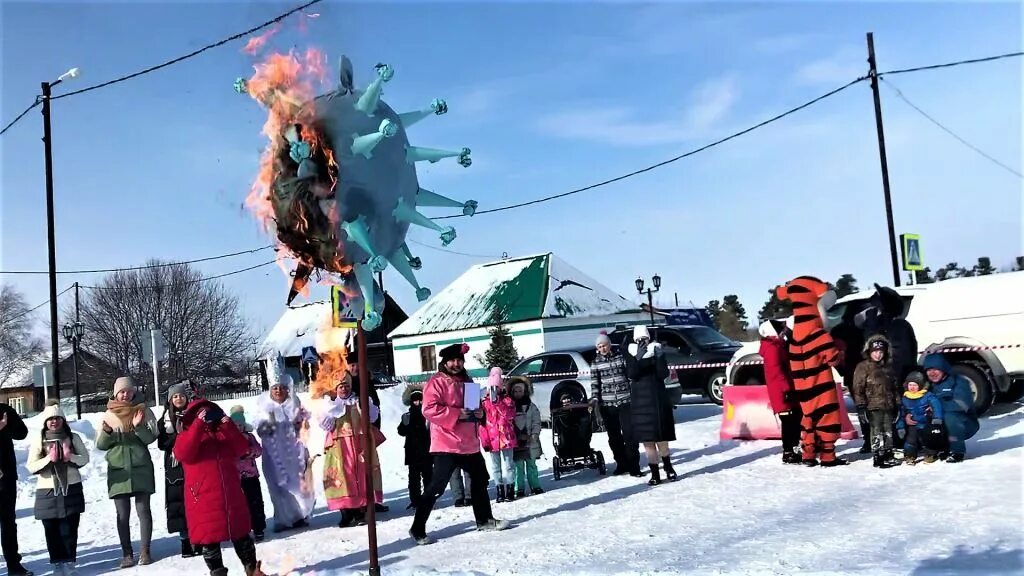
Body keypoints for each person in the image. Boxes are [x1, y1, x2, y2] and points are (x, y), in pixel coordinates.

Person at [410, 343, 509, 545]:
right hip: (446, 444)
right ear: (444, 362)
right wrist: (456, 414)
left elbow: (473, 409)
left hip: (469, 443)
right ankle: (417, 528)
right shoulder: (436, 382)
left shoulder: (468, 380)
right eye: (452, 361)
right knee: (436, 486)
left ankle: (484, 519)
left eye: (459, 361)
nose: (456, 364)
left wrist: (479, 414)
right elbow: (429, 409)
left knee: (480, 479)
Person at [174, 399, 261, 576]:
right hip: (203, 497)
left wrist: (226, 424)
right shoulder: (187, 435)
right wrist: (198, 424)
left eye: (210, 412)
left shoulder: (223, 435)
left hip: (230, 492)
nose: (207, 417)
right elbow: (184, 453)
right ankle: (217, 572)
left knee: (241, 533)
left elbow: (241, 448)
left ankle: (252, 569)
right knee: (209, 539)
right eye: (201, 413)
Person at [776, 277, 848, 467]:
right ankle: (828, 455)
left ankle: (808, 454)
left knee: (808, 419)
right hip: (821, 386)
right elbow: (832, 358)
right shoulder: (818, 334)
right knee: (827, 417)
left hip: (803, 389)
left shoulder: (793, 340)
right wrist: (839, 351)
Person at [96, 376, 159, 568]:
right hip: (118, 470)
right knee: (122, 515)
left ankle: (145, 551)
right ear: (116, 393)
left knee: (143, 511)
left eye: (128, 391)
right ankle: (126, 553)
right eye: (122, 392)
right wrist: (107, 433)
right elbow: (100, 445)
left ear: (133, 392)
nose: (125, 394)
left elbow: (151, 438)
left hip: (141, 467)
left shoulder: (143, 411)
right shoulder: (108, 415)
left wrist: (139, 427)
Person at [26, 401, 88, 575]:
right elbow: (31, 466)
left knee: (69, 527)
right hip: (47, 490)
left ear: (63, 420)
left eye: (57, 418)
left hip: (71, 487)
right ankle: (56, 563)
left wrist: (71, 457)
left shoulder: (73, 437)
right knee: (51, 528)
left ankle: (69, 562)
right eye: (50, 419)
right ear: (45, 421)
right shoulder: (39, 439)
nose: (54, 421)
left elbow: (85, 459)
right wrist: (48, 459)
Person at [250, 375, 315, 532]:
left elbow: (304, 428)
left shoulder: (295, 404)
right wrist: (269, 423)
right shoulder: (264, 407)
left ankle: (300, 516)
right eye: (275, 388)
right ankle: (283, 519)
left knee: (298, 485)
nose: (278, 391)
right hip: (274, 455)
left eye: (281, 388)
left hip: (294, 454)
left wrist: (301, 424)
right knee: (278, 486)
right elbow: (260, 430)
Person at [318, 374, 384, 528]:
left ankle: (361, 510)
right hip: (340, 447)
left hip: (360, 444)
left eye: (346, 386)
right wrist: (330, 410)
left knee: (362, 476)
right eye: (340, 386)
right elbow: (326, 426)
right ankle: (346, 513)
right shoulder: (332, 404)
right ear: (335, 389)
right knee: (342, 477)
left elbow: (372, 418)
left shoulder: (358, 400)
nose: (344, 389)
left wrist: (365, 404)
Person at [623, 326, 677, 485]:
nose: (642, 342)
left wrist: (659, 357)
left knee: (661, 438)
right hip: (640, 401)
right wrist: (637, 359)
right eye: (639, 339)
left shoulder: (656, 350)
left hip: (657, 398)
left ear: (649, 338)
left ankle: (668, 467)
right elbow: (632, 375)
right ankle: (655, 474)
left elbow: (663, 374)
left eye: (644, 339)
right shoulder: (632, 353)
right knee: (648, 441)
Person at [590, 332, 641, 477]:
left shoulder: (620, 357)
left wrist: (633, 394)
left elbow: (629, 375)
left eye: (604, 345)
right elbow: (595, 383)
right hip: (608, 404)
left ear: (609, 345)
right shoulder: (596, 362)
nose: (602, 348)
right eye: (600, 347)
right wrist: (595, 399)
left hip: (625, 401)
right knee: (614, 437)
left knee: (630, 435)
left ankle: (634, 466)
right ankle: (621, 464)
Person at [157, 382, 198, 558]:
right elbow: (162, 444)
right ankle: (185, 541)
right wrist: (178, 437)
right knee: (178, 502)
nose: (179, 398)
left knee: (196, 500)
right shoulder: (165, 420)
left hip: (194, 462)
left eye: (181, 395)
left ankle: (199, 537)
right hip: (174, 464)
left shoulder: (194, 415)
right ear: (170, 400)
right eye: (175, 396)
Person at [851, 336, 901, 468]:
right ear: (869, 352)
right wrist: (861, 407)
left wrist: (898, 404)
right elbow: (858, 388)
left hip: (888, 404)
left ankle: (888, 453)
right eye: (875, 352)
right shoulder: (863, 367)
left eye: (880, 352)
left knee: (888, 430)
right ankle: (878, 455)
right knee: (876, 431)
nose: (877, 355)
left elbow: (895, 387)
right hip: (872, 406)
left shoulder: (888, 367)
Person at [346, 360, 388, 514]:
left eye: (357, 364)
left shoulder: (366, 379)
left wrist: (375, 426)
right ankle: (360, 502)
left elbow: (374, 404)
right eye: (351, 365)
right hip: (353, 433)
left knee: (371, 467)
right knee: (357, 468)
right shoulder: (346, 382)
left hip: (369, 427)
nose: (355, 368)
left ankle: (373, 500)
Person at [758, 318, 802, 464]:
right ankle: (789, 451)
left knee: (793, 418)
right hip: (782, 392)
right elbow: (776, 372)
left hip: (783, 389)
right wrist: (786, 389)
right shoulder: (773, 348)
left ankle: (793, 449)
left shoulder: (776, 345)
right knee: (790, 421)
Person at [922, 354, 980, 462]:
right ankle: (935, 449)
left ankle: (957, 451)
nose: (932, 373)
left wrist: (937, 408)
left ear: (943, 368)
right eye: (929, 370)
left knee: (950, 417)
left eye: (936, 369)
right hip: (940, 421)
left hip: (965, 422)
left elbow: (962, 405)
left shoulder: (959, 382)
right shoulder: (928, 386)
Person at [831, 306, 870, 453]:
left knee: (861, 408)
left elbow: (836, 356)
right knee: (872, 407)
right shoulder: (863, 330)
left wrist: (843, 371)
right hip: (866, 372)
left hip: (851, 374)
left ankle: (867, 439)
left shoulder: (837, 332)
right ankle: (874, 438)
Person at [0, 399, 31, 576]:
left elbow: (22, 433)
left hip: (6, 477)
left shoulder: (5, 410)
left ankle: (14, 565)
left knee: (8, 523)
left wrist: (7, 425)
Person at [480, 368, 518, 503]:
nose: (494, 391)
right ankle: (499, 490)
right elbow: (482, 424)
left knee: (509, 465)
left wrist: (499, 402)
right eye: (492, 388)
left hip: (506, 438)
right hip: (492, 439)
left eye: (496, 387)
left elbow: (510, 415)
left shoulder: (508, 401)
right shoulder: (484, 403)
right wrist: (484, 441)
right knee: (495, 466)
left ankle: (510, 489)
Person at [229, 406, 267, 541]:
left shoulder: (249, 437)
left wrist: (249, 452)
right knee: (239, 504)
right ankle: (241, 528)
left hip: (251, 476)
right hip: (235, 477)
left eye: (240, 425)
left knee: (255, 502)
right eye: (235, 425)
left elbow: (258, 450)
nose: (238, 427)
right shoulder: (229, 439)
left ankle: (258, 528)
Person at [896, 371, 945, 466]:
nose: (912, 387)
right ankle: (910, 455)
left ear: (920, 385)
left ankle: (931, 454)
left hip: (926, 423)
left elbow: (936, 406)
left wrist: (937, 418)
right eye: (910, 385)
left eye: (915, 385)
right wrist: (900, 426)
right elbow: (901, 413)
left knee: (928, 439)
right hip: (913, 424)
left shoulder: (927, 395)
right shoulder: (905, 398)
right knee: (911, 440)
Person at [397, 384, 432, 510]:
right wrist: (405, 425)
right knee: (413, 478)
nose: (418, 402)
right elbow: (401, 431)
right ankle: (415, 500)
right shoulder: (407, 416)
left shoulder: (428, 415)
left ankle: (428, 498)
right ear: (411, 401)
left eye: (421, 399)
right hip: (412, 451)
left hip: (426, 450)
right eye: (416, 400)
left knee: (428, 476)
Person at [510, 377, 543, 497]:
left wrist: (534, 433)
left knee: (531, 464)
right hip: (516, 441)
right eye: (515, 391)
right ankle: (519, 488)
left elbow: (536, 421)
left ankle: (535, 485)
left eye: (520, 391)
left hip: (530, 440)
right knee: (518, 466)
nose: (518, 394)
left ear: (525, 392)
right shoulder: (509, 406)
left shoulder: (531, 406)